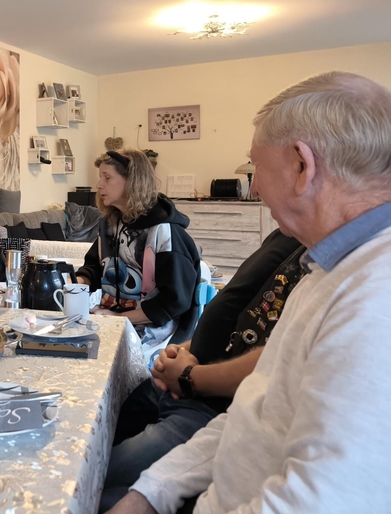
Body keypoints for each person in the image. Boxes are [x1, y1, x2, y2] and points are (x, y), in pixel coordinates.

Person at [109, 71, 391, 514]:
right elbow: (254, 412)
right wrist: (151, 491)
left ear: (302, 166)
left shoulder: (374, 299)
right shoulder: (325, 269)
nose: (254, 187)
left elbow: (315, 503)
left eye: (257, 165)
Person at [99, 229, 304, 511]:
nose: (263, 203)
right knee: (96, 441)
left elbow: (274, 361)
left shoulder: (330, 273)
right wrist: (185, 349)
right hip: (184, 381)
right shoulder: (289, 237)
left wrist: (189, 377)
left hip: (207, 405)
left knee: (95, 476)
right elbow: (237, 312)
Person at [76, 149, 200, 347]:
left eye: (107, 178)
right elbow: (95, 268)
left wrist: (119, 319)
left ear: (133, 182)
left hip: (156, 334)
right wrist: (72, 283)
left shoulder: (165, 233)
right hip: (110, 320)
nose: (99, 185)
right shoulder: (110, 224)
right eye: (100, 177)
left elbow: (174, 302)